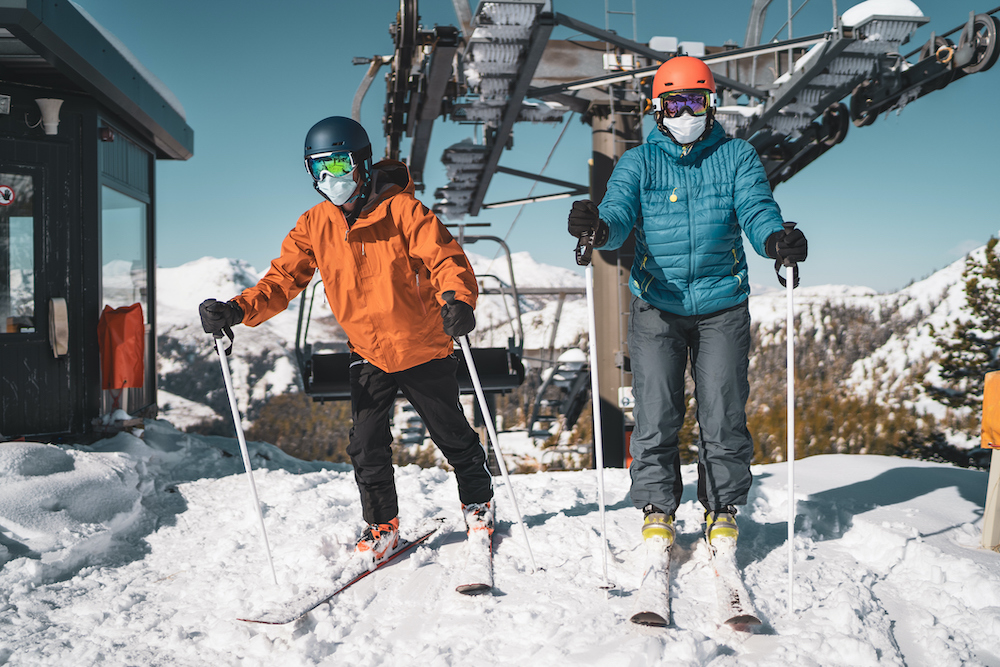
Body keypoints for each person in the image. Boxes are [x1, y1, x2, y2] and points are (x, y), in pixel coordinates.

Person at [199, 116, 494, 564]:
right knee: (366, 442)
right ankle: (383, 524)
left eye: (338, 165)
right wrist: (238, 309)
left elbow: (445, 258)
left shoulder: (404, 212)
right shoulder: (315, 224)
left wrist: (457, 299)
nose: (329, 179)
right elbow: (282, 280)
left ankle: (479, 502)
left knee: (451, 433)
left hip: (421, 345)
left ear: (361, 162)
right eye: (318, 168)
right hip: (368, 350)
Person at [567, 57, 807, 556]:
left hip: (722, 304)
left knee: (722, 411)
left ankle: (722, 506)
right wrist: (597, 227)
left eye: (693, 102)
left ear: (710, 105)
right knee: (657, 411)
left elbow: (757, 209)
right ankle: (658, 508)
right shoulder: (638, 162)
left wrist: (775, 241)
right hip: (658, 303)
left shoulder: (737, 156)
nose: (684, 112)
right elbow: (618, 214)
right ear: (657, 109)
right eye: (674, 103)